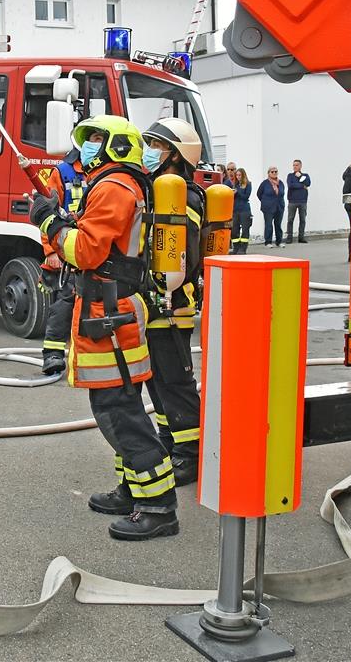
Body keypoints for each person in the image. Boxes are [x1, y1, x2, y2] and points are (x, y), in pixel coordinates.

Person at [29, 114, 178, 541]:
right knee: (116, 405)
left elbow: (88, 252)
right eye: (88, 138)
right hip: (109, 309)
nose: (90, 146)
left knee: (120, 411)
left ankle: (158, 506)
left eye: (98, 138)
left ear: (117, 145)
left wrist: (49, 223)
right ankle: (133, 490)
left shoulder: (114, 186)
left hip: (111, 314)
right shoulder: (118, 184)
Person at [140, 117, 205, 488]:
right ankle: (171, 445)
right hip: (154, 300)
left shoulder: (186, 196)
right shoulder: (160, 191)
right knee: (158, 382)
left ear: (176, 156)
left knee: (176, 382)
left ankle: (190, 455)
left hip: (173, 303)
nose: (150, 150)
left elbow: (186, 253)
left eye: (157, 145)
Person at [38, 146, 87, 375]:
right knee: (64, 302)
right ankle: (53, 355)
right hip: (67, 248)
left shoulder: (106, 173)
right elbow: (47, 210)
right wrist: (50, 250)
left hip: (92, 249)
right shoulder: (63, 172)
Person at [257, 166, 286, 247]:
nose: (274, 173)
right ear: (269, 173)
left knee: (278, 224)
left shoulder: (280, 183)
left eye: (276, 171)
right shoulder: (265, 183)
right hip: (268, 207)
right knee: (269, 224)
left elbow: (282, 193)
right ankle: (268, 242)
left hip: (279, 206)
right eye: (272, 172)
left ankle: (279, 241)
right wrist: (265, 202)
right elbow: (259, 194)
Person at [284, 159, 311, 243]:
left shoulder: (305, 175)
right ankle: (289, 237)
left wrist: (300, 177)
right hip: (292, 201)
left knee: (302, 219)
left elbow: (308, 183)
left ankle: (301, 237)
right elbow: (290, 185)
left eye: (296, 165)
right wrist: (302, 185)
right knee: (290, 219)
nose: (295, 167)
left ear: (300, 166)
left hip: (303, 201)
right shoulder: (290, 176)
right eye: (294, 165)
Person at [230, 167, 252, 254]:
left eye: (240, 175)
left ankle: (243, 248)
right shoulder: (235, 185)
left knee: (245, 229)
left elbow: (246, 196)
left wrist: (238, 192)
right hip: (235, 210)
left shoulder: (248, 184)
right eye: (237, 175)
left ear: (243, 175)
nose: (238, 177)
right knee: (234, 229)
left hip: (244, 210)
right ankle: (236, 248)